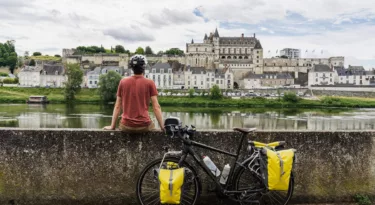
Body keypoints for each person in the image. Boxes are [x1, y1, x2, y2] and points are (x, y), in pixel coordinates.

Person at [103, 55, 164, 132]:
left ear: (132, 68)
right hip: (144, 126)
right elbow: (156, 107)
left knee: (123, 124)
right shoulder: (150, 83)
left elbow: (117, 106)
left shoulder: (123, 82)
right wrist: (162, 127)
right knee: (152, 126)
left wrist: (112, 126)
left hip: (126, 126)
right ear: (144, 67)